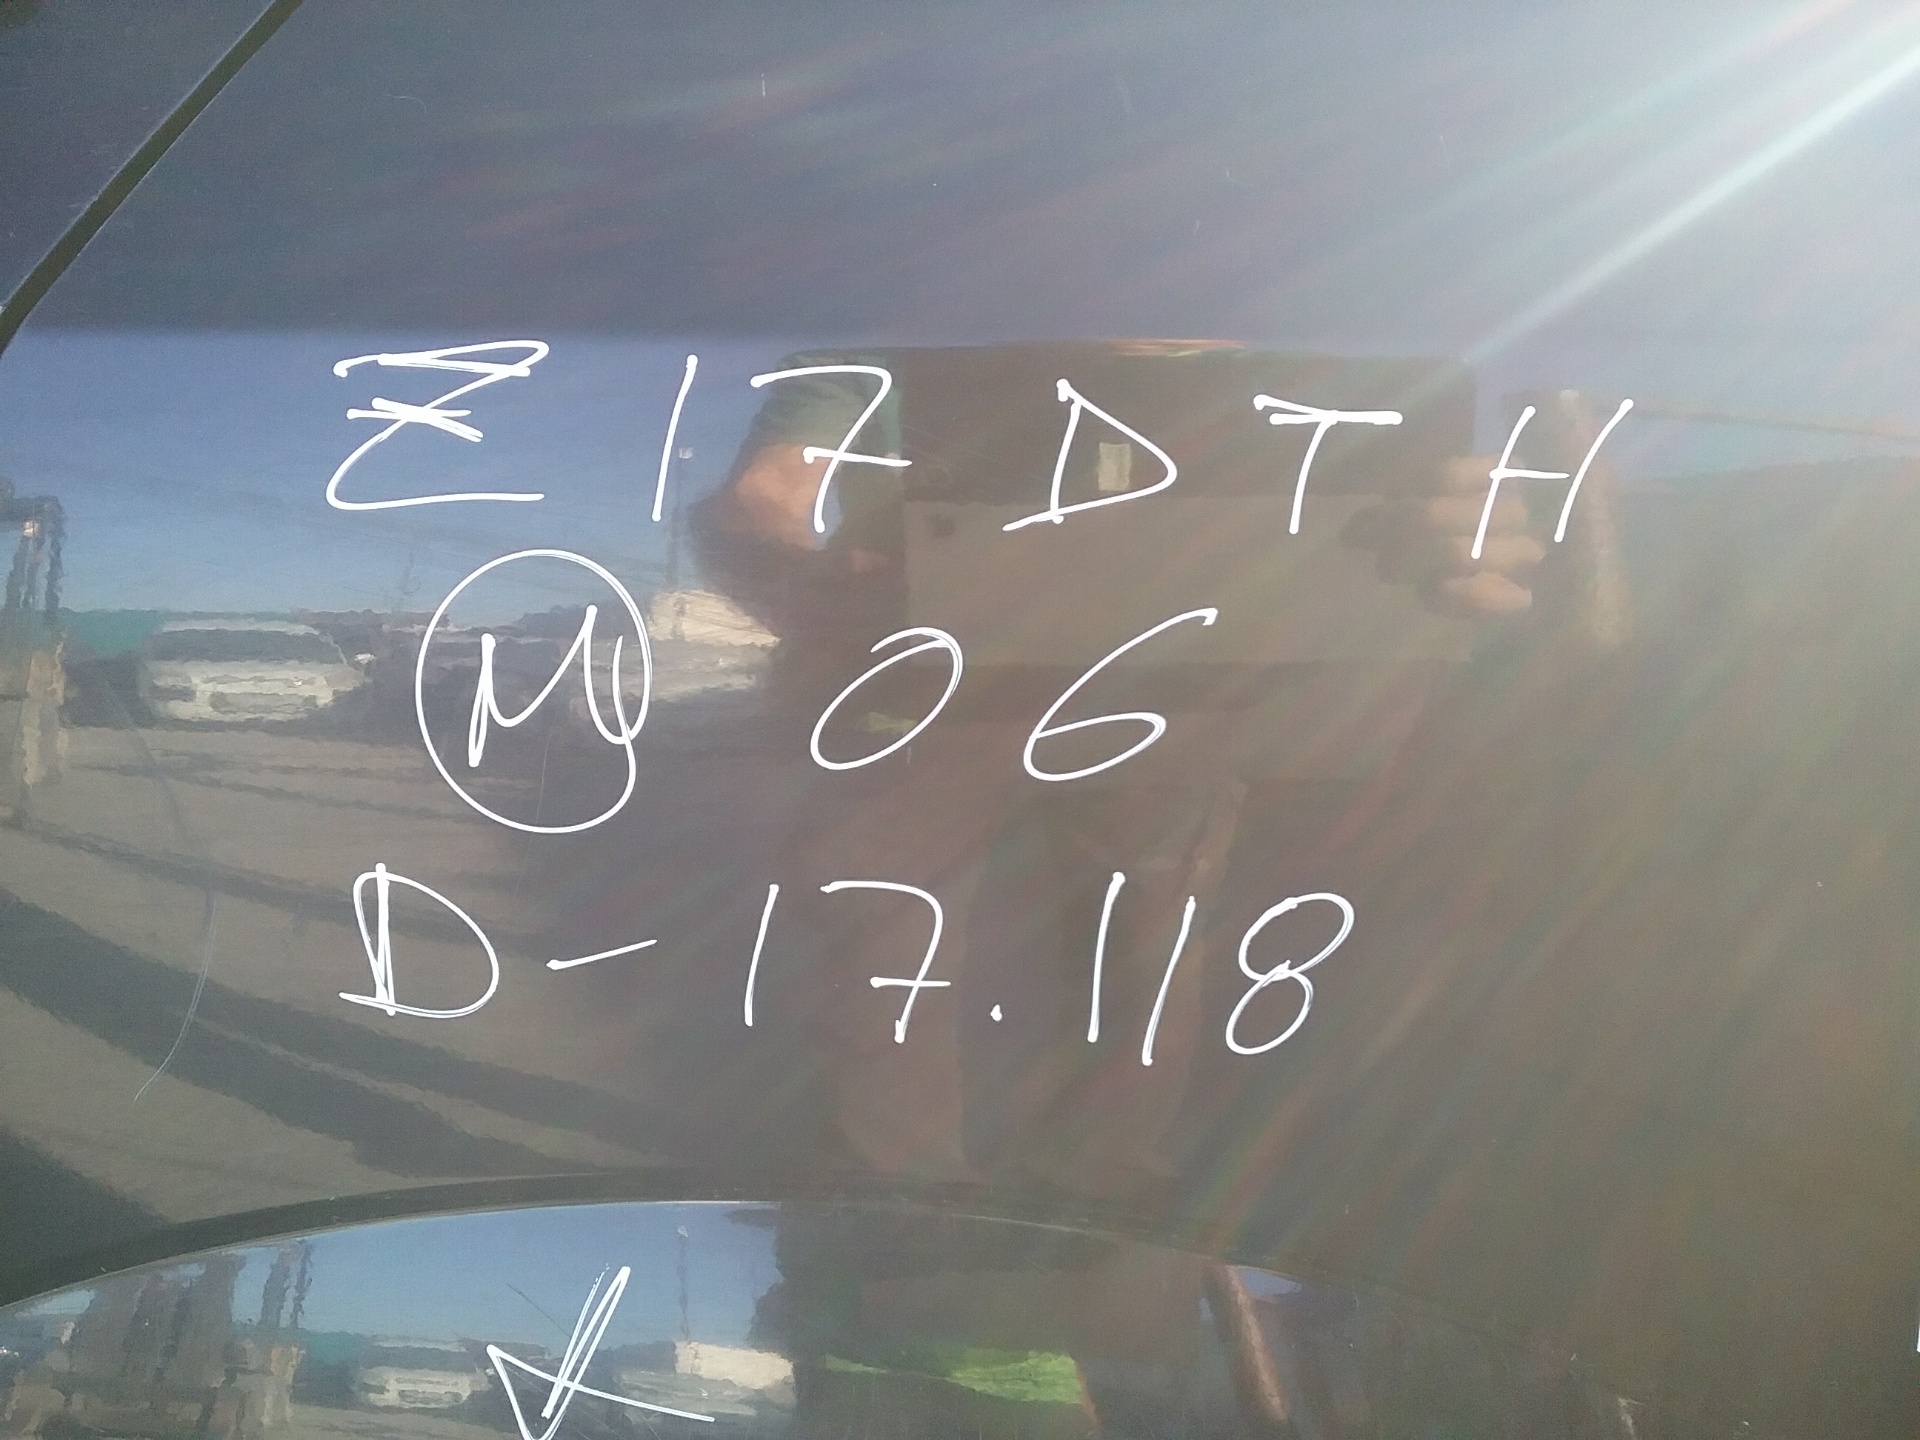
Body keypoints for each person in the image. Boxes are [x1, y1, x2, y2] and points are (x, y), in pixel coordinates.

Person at [693, 340, 1543, 1191]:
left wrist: (815, 597)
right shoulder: (1254, 336)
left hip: (934, 675)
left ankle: (897, 1199)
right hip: (1152, 672)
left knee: (894, 935)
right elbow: (764, 501)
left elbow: (764, 498)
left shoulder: (906, 326)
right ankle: (1100, 1193)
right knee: (1140, 939)